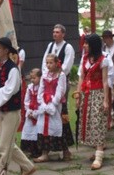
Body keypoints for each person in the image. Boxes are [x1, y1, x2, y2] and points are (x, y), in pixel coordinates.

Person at [0, 37, 36, 175]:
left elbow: (10, 90)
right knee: (8, 145)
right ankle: (28, 166)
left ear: (7, 51)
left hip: (12, 112)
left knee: (3, 147)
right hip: (0, 110)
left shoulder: (13, 69)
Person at [74, 33, 110, 170]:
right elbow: (81, 78)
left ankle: (99, 155)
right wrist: (78, 95)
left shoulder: (103, 60)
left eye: (87, 43)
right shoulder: (84, 59)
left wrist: (106, 100)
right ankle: (97, 150)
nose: (84, 46)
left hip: (98, 93)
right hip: (86, 94)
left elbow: (105, 81)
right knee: (89, 122)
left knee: (98, 121)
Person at [42, 24, 74, 158]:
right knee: (46, 116)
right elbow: (44, 62)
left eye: (57, 32)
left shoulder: (68, 47)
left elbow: (67, 65)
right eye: (53, 32)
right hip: (48, 83)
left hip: (60, 82)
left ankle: (65, 149)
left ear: (63, 34)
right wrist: (46, 75)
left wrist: (56, 74)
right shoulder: (50, 46)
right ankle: (46, 149)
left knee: (61, 113)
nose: (54, 34)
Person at [34, 54, 68, 162]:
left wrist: (53, 102)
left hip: (56, 105)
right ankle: (45, 153)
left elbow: (61, 90)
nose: (48, 65)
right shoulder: (45, 75)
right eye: (47, 63)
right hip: (45, 104)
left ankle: (66, 151)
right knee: (44, 127)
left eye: (51, 63)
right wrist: (42, 101)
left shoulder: (61, 75)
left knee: (60, 127)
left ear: (56, 63)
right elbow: (41, 89)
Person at [20, 68, 41, 159]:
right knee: (28, 130)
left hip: (39, 113)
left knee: (37, 131)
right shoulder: (30, 88)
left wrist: (36, 113)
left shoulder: (42, 88)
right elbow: (26, 100)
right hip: (30, 112)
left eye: (34, 78)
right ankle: (29, 149)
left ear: (40, 77)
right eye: (31, 78)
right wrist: (28, 110)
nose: (32, 80)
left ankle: (37, 151)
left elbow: (42, 101)